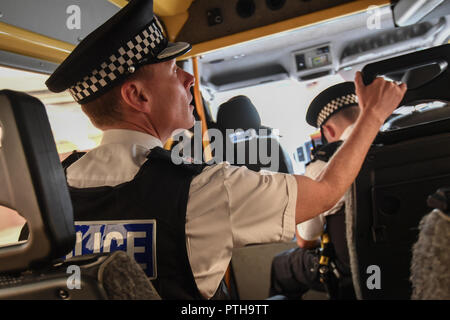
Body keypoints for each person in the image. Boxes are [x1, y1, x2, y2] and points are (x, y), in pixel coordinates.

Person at [45, 0, 407, 300]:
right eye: (174, 70)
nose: (189, 80)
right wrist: (373, 115)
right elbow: (327, 191)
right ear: (138, 96)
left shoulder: (48, 193)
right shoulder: (203, 188)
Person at [269, 82, 360, 300]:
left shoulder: (321, 167)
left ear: (327, 131)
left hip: (350, 271)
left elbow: (306, 240)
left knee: (281, 266)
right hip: (413, 256)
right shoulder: (399, 144)